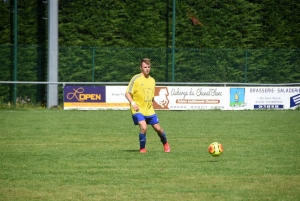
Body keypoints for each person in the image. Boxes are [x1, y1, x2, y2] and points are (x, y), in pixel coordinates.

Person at [125, 58, 170, 153]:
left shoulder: (152, 80)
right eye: (145, 67)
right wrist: (133, 103)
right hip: (137, 109)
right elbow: (127, 93)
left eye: (149, 67)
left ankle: (165, 143)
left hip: (149, 110)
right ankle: (142, 148)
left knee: (158, 129)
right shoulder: (135, 79)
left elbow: (151, 97)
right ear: (140, 68)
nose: (147, 69)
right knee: (144, 127)